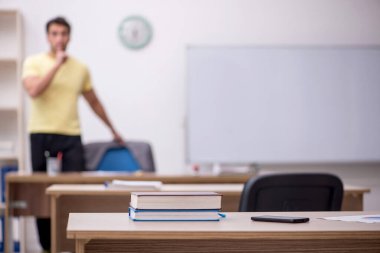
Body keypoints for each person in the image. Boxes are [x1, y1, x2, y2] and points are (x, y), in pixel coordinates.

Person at [22, 16, 122, 252]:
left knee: (75, 192)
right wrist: (56, 65)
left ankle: (72, 245)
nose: (59, 38)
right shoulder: (33, 62)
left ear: (70, 36)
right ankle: (47, 246)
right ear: (48, 36)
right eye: (54, 33)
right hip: (41, 135)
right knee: (43, 195)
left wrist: (113, 129)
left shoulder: (80, 68)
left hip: (71, 137)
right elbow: (34, 91)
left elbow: (94, 102)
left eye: (63, 34)